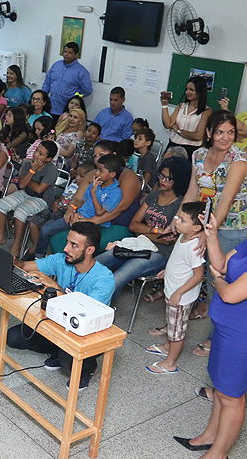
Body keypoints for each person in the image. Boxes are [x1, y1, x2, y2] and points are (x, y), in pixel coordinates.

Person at [171, 110, 247, 351]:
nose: (226, 137)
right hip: (201, 223)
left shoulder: (238, 160)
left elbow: (225, 201)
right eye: (220, 132)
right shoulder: (199, 155)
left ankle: (216, 339)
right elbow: (192, 191)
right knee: (188, 271)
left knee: (220, 282)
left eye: (231, 132)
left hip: (230, 229)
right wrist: (178, 219)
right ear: (209, 133)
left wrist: (208, 233)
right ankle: (175, 325)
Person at [9, 222, 115, 391]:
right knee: (14, 337)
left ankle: (87, 369)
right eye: (67, 242)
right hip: (59, 323)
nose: (66, 248)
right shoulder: (62, 260)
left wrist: (54, 287)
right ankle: (57, 351)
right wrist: (12, 259)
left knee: (67, 362)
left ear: (89, 250)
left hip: (86, 333)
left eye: (74, 245)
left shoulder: (104, 279)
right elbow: (25, 266)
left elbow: (84, 313)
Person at [174, 221, 247, 458]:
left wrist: (218, 281)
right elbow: (221, 264)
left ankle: (219, 454)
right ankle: (210, 436)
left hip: (241, 335)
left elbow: (230, 294)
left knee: (232, 396)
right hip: (226, 330)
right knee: (221, 388)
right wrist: (213, 236)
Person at [95, 157, 191, 302]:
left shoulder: (180, 204)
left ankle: (99, 307)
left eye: (169, 179)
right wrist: (156, 231)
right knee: (96, 263)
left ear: (179, 180)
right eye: (162, 175)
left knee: (117, 278)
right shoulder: (153, 196)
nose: (163, 181)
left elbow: (167, 241)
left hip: (160, 253)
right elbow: (133, 225)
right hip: (138, 243)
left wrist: (143, 231)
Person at [144, 202, 206, 374]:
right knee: (172, 325)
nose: (177, 221)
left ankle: (170, 363)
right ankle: (166, 347)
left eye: (182, 220)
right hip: (173, 291)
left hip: (181, 296)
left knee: (177, 332)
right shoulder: (183, 236)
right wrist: (168, 270)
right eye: (178, 217)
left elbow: (198, 275)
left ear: (196, 228)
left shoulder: (194, 247)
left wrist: (179, 292)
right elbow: (179, 260)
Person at [32, 154, 123, 258]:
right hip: (78, 216)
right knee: (46, 229)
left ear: (112, 174)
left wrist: (93, 193)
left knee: (71, 241)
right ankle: (38, 257)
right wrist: (73, 209)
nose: (96, 173)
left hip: (93, 224)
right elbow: (82, 202)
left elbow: (99, 212)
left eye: (101, 171)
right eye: (97, 170)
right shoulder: (95, 185)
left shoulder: (115, 192)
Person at [0, 140, 59, 255]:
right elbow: (22, 185)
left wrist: (28, 179)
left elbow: (39, 189)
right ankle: (1, 236)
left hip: (42, 199)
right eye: (36, 150)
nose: (36, 154)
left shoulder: (52, 170)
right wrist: (32, 171)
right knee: (0, 205)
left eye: (40, 154)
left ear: (49, 159)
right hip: (25, 193)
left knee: (20, 212)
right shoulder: (28, 164)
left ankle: (16, 245)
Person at [24, 161, 96, 259]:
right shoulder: (73, 184)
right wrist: (56, 203)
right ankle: (38, 248)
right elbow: (62, 197)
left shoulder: (87, 191)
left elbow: (78, 205)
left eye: (81, 176)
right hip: (57, 208)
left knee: (46, 227)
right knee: (33, 223)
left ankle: (35, 253)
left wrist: (64, 208)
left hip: (64, 212)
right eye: (77, 175)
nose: (77, 178)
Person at [161, 76, 212, 159]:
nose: (187, 92)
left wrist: (178, 130)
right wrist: (164, 105)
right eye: (186, 89)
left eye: (191, 90)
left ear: (200, 92)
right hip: (173, 145)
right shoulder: (181, 106)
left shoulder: (206, 111)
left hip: (190, 150)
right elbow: (168, 124)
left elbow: (198, 136)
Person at [42, 42, 93, 117]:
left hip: (66, 111)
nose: (66, 54)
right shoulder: (56, 65)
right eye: (65, 51)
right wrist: (43, 97)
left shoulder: (81, 71)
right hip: (49, 107)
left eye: (70, 53)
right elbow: (47, 82)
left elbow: (87, 90)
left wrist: (74, 97)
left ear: (76, 55)